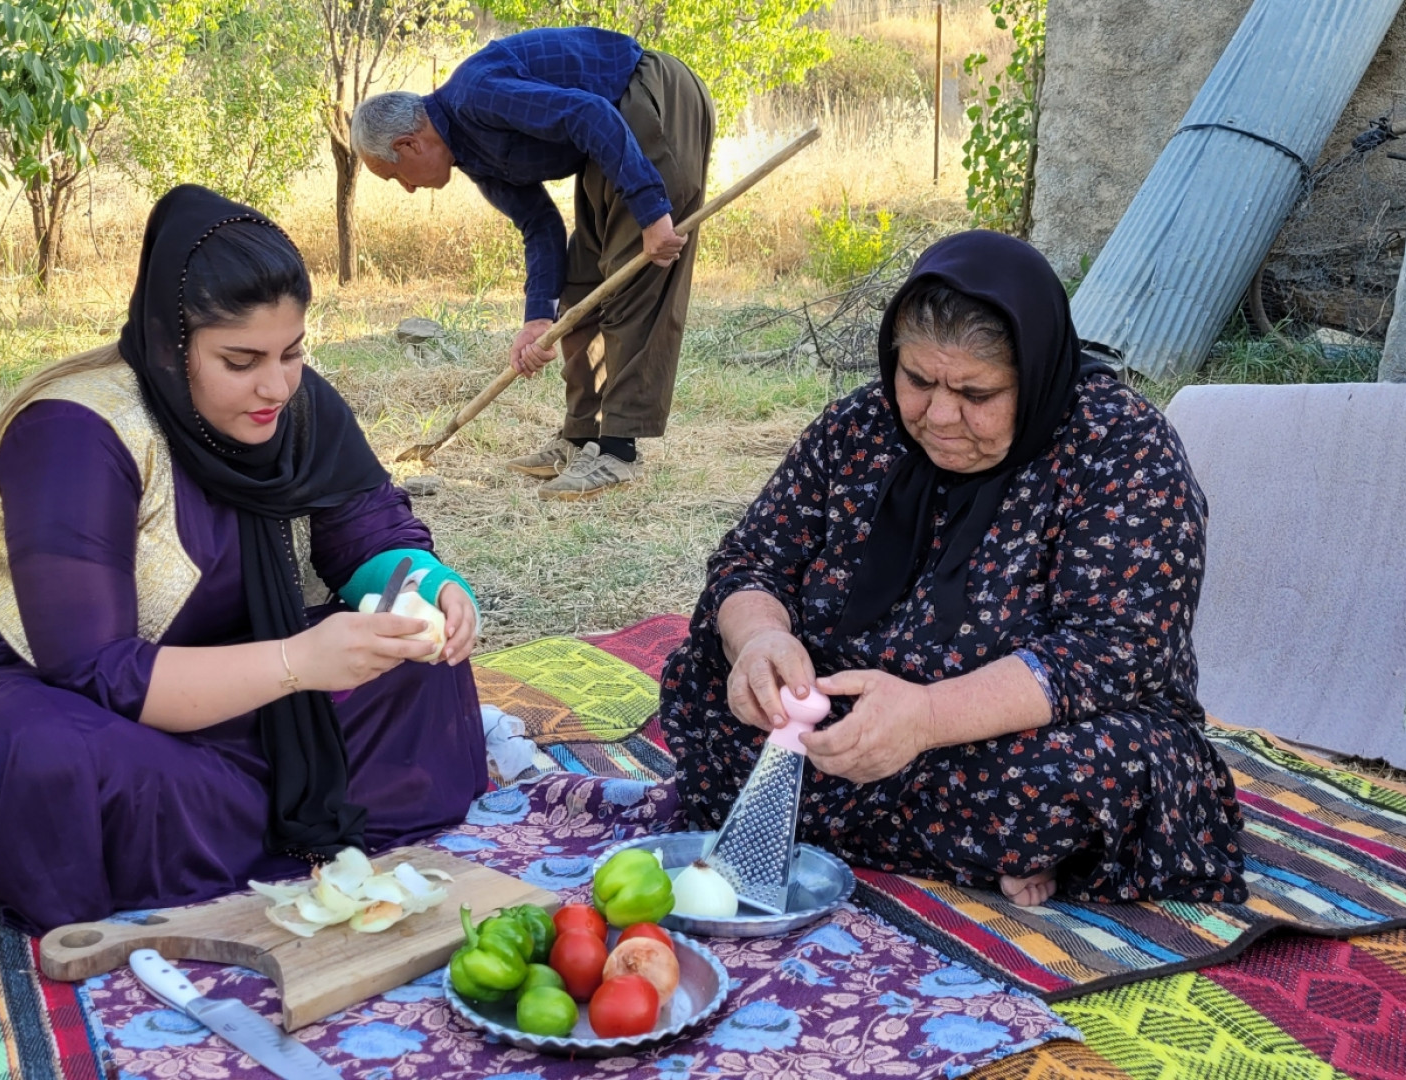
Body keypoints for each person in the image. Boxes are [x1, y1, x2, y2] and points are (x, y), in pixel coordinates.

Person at [0, 186, 488, 934]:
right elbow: (94, 670)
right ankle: (258, 811)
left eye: (293, 352)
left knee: (420, 676)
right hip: (45, 694)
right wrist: (298, 664)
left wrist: (428, 591)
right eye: (240, 360)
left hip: (226, 680)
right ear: (171, 342)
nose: (276, 385)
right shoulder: (76, 431)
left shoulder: (295, 404)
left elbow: (364, 528)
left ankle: (227, 817)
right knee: (50, 766)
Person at [659, 231, 1246, 908]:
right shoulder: (859, 427)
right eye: (918, 380)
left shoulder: (1122, 451)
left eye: (976, 392)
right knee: (705, 674)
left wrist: (927, 717)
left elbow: (1112, 650)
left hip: (1003, 737)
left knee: (1096, 771)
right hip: (844, 725)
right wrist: (760, 641)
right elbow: (751, 558)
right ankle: (982, 851)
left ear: (1037, 370)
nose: (938, 416)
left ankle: (885, 824)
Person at [351, 27, 714, 500]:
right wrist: (536, 320)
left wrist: (651, 209)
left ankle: (618, 453)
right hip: (606, 135)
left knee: (634, 277)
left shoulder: (476, 95)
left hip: (646, 96)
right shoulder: (473, 157)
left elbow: (588, 112)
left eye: (395, 175)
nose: (408, 188)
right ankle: (581, 437)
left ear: (408, 145)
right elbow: (541, 224)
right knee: (581, 288)